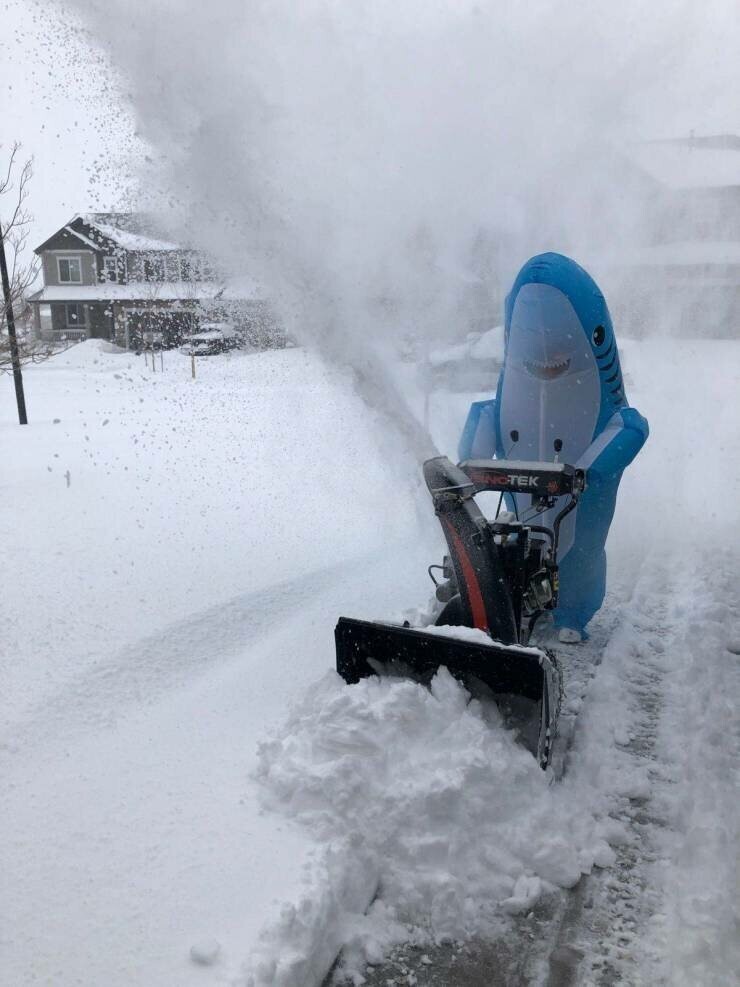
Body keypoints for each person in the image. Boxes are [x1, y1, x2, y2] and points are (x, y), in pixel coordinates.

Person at [458, 252, 649, 642]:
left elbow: (629, 425)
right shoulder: (513, 382)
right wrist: (471, 461)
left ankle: (573, 612)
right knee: (517, 537)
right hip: (523, 490)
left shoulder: (598, 382)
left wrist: (591, 469)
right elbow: (490, 413)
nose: (546, 365)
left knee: (579, 551)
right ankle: (505, 594)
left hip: (580, 495)